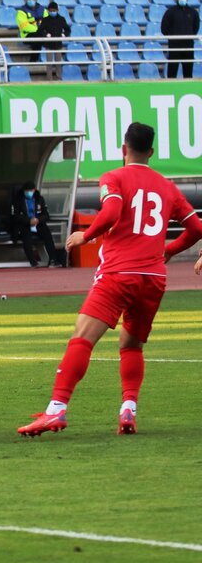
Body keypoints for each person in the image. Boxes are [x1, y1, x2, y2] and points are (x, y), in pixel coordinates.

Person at [17, 123, 202, 437]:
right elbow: (196, 229)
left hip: (119, 273)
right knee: (131, 345)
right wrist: (167, 251)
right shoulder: (167, 186)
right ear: (152, 152)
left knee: (82, 336)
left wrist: (85, 236)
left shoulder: (114, 177)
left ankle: (56, 410)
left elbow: (113, 212)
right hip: (153, 279)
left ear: (123, 149)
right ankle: (128, 409)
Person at [10, 182, 62, 268]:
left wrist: (38, 220)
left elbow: (46, 215)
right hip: (24, 224)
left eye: (31, 190)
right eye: (27, 190)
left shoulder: (39, 199)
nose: (29, 192)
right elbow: (15, 216)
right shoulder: (17, 200)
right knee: (26, 236)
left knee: (47, 234)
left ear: (34, 190)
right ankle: (32, 261)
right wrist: (28, 221)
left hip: (38, 224)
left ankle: (53, 260)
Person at [161, 0, 199, 80]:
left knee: (188, 72)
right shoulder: (170, 12)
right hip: (175, 45)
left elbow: (195, 28)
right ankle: (170, 88)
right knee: (172, 71)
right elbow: (164, 28)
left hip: (188, 45)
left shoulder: (193, 12)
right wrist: (173, 38)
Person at [31, 1, 70, 78]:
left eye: (54, 10)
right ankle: (49, 78)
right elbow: (40, 30)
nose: (52, 12)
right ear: (48, 10)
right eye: (51, 10)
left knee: (58, 63)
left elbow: (67, 29)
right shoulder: (45, 20)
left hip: (58, 44)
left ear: (57, 10)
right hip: (48, 45)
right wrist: (46, 35)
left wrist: (64, 34)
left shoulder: (61, 19)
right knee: (49, 63)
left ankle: (59, 77)